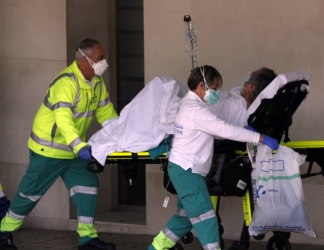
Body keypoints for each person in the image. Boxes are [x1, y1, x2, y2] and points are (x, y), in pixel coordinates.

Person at [0, 38, 118, 250]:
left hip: (73, 153)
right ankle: (3, 232)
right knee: (29, 195)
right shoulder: (65, 83)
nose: (105, 61)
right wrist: (79, 145)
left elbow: (107, 114)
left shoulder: (97, 83)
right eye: (100, 58)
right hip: (49, 151)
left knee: (87, 189)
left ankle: (87, 239)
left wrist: (122, 137)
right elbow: (63, 119)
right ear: (85, 59)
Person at [148, 65, 279, 250]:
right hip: (187, 171)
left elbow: (217, 131)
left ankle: (155, 248)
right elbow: (224, 129)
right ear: (203, 86)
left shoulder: (194, 106)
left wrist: (243, 130)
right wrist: (261, 138)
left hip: (183, 170)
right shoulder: (196, 110)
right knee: (207, 219)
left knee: (185, 218)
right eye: (215, 88)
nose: (217, 92)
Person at [210, 67, 277, 127]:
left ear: (251, 88)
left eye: (250, 77)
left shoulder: (232, 106)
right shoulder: (241, 100)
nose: (246, 83)